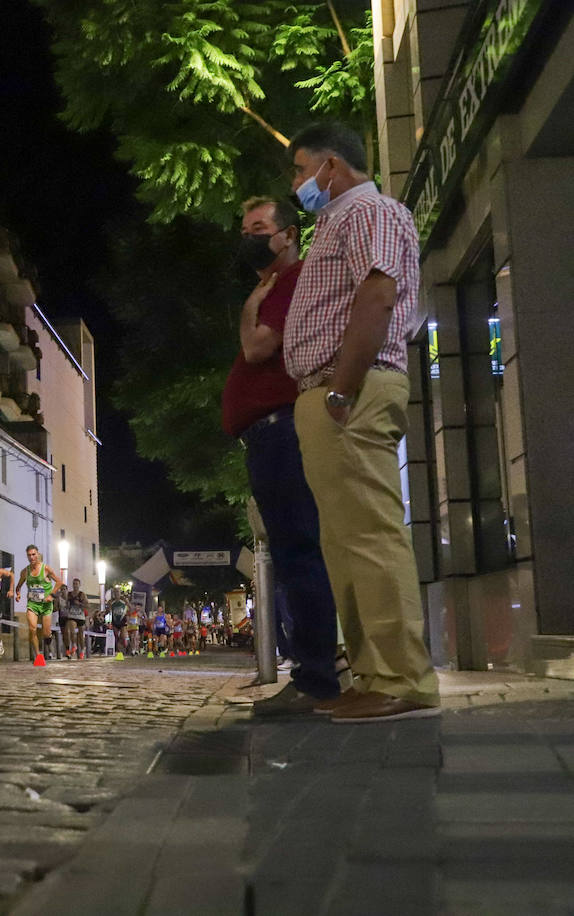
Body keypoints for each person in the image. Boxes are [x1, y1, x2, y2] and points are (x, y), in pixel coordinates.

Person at [283, 122, 438, 722]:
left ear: (332, 167)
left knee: (370, 537)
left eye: (300, 170)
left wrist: (342, 391)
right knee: (345, 543)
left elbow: (377, 294)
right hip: (332, 391)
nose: (298, 184)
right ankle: (375, 673)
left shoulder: (368, 212)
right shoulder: (335, 222)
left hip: (348, 389)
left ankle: (401, 677)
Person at [221, 194, 343, 716]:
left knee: (299, 553)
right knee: (298, 552)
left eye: (258, 228)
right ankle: (317, 673)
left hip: (282, 432)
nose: (248, 237)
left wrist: (253, 299)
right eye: (245, 228)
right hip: (272, 435)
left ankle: (316, 678)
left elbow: (256, 348)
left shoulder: (287, 283)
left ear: (287, 235)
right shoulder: (280, 285)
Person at [16, 545, 59, 667]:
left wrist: (51, 595)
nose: (31, 557)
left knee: (45, 633)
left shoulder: (46, 569)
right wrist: (18, 594)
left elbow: (59, 582)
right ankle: (38, 655)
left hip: (45, 605)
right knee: (32, 629)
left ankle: (49, 636)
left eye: (33, 554)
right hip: (33, 604)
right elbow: (18, 586)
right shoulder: (25, 572)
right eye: (29, 555)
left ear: (38, 554)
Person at [62, 578, 88, 660]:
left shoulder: (82, 594)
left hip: (80, 616)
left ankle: (82, 650)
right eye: (74, 584)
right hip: (72, 616)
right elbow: (66, 604)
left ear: (79, 585)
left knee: (80, 635)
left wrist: (80, 604)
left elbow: (87, 605)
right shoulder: (69, 594)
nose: (75, 585)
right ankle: (74, 645)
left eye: (77, 584)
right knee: (71, 630)